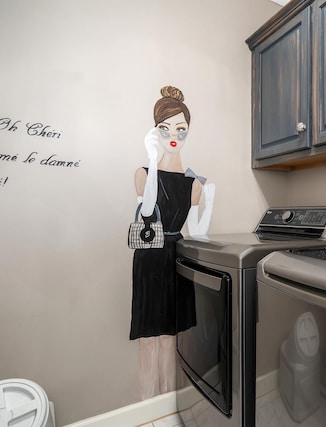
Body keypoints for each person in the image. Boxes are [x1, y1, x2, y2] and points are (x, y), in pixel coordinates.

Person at [130, 85, 215, 399]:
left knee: (169, 336)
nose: (173, 135)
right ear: (156, 132)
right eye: (165, 128)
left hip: (176, 257)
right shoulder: (142, 173)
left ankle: (167, 404)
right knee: (147, 337)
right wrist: (153, 159)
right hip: (149, 256)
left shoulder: (194, 184)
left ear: (188, 132)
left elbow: (197, 232)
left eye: (181, 129)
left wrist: (209, 204)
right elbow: (149, 211)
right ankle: (145, 406)